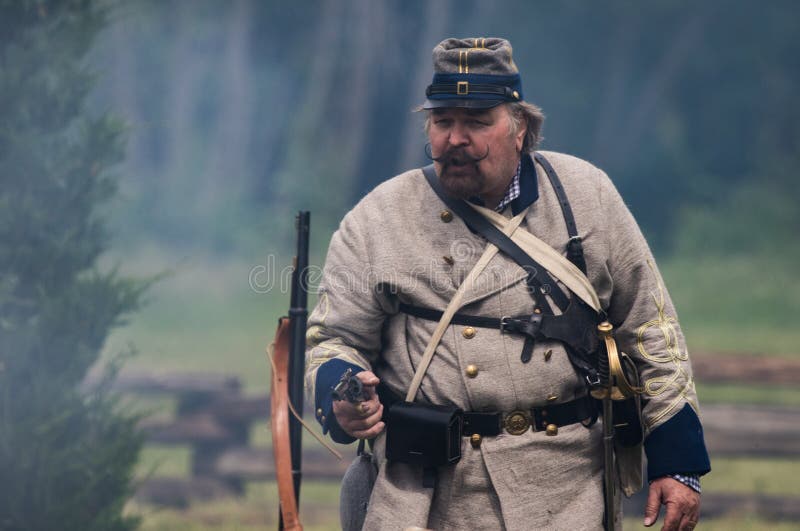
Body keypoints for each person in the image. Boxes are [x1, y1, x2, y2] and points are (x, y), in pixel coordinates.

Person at [305, 37, 710, 530]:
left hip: (567, 495)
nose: (455, 139)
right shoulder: (375, 219)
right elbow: (334, 340)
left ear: (521, 129)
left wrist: (678, 462)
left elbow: (650, 327)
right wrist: (343, 394)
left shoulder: (588, 195)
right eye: (443, 122)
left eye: (476, 122)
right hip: (425, 500)